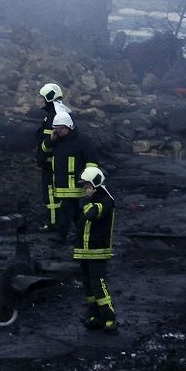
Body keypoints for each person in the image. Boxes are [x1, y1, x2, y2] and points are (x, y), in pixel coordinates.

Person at [43, 108, 98, 242]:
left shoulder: (82, 140)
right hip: (61, 184)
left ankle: (61, 237)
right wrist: (51, 139)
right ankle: (85, 235)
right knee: (75, 213)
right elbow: (45, 149)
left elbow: (92, 161)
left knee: (66, 212)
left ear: (69, 126)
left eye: (61, 128)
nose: (58, 131)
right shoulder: (57, 139)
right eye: (56, 128)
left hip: (75, 184)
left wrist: (89, 182)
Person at [74, 166, 117, 332]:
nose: (84, 188)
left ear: (94, 184)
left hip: (97, 250)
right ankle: (94, 316)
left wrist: (87, 200)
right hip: (84, 250)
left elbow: (90, 214)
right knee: (88, 285)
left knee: (98, 284)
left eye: (86, 185)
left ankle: (110, 319)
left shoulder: (106, 200)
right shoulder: (93, 199)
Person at [36, 83, 67, 230]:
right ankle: (58, 222)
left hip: (51, 164)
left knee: (50, 195)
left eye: (43, 98)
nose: (41, 100)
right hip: (55, 163)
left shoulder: (52, 117)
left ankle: (53, 224)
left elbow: (50, 141)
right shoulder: (59, 113)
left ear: (49, 98)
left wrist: (43, 156)